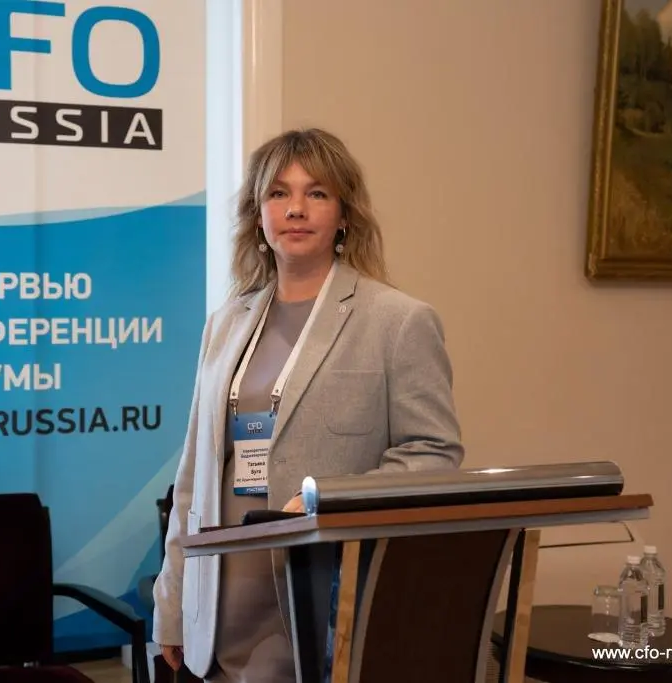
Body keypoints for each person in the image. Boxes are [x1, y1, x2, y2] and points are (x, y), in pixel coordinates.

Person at [151, 127, 464, 682]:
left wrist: (329, 500)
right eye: (278, 193)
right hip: (220, 602)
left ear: (344, 214)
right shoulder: (225, 324)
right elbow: (193, 474)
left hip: (321, 597)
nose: (295, 209)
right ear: (259, 216)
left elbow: (434, 456)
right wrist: (172, 603)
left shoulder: (398, 321)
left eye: (316, 193)